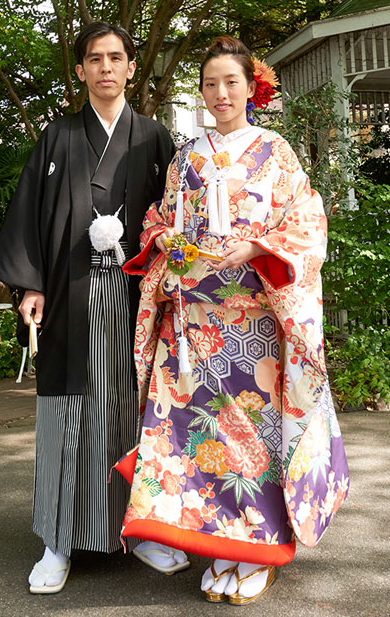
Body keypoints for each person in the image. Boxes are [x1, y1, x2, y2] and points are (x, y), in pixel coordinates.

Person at [116, 36, 350, 604]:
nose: (220, 94)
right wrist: (171, 243)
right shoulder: (187, 158)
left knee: (255, 436)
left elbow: (307, 223)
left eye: (230, 82)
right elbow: (157, 222)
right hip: (198, 321)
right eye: (210, 85)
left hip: (256, 321)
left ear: (252, 87)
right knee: (205, 438)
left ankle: (259, 547)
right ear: (201, 94)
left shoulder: (277, 152)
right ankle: (220, 545)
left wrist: (259, 247)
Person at [0, 21, 181, 594]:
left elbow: (175, 215)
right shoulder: (59, 136)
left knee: (133, 408)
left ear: (129, 67)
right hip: (71, 293)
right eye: (94, 59)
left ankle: (141, 529)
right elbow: (30, 215)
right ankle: (59, 538)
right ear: (81, 70)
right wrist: (31, 285)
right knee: (67, 414)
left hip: (134, 297)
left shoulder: (154, 138)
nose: (105, 68)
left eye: (115, 58)